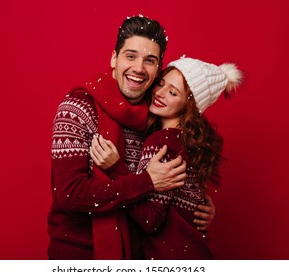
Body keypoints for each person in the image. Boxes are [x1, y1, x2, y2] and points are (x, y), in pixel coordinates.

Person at [48, 15, 216, 260]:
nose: (138, 68)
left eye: (150, 60)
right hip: (79, 255)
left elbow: (169, 183)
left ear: (158, 68)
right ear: (114, 58)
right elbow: (71, 195)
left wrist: (195, 205)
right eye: (131, 56)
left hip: (138, 255)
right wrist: (147, 182)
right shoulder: (77, 108)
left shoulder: (157, 114)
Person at [91, 56, 243, 259]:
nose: (160, 93)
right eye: (161, 84)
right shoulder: (188, 142)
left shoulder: (162, 142)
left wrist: (115, 168)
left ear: (189, 106)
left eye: (173, 93)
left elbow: (151, 219)